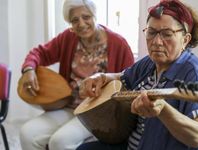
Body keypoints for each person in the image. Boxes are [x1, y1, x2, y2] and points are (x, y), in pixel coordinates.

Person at [76, 0, 198, 150]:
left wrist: (162, 110)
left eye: (167, 34)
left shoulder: (197, 75)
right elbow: (123, 77)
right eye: (151, 32)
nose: (157, 42)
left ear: (185, 40)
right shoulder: (149, 63)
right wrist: (101, 77)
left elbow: (197, 136)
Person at [19, 0, 134, 149]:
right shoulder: (68, 38)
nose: (81, 23)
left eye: (86, 17)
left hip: (95, 113)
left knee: (59, 141)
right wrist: (29, 69)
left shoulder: (119, 44)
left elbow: (131, 78)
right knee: (27, 133)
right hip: (68, 106)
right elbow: (39, 53)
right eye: (75, 20)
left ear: (94, 16)